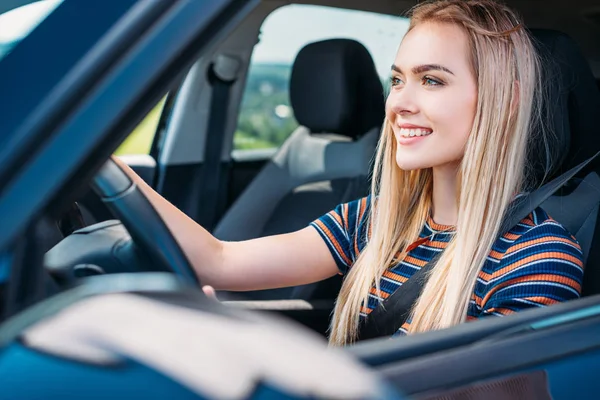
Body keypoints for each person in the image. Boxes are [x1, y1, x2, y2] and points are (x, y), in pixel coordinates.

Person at [115, 0, 584, 346]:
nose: (399, 103)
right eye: (397, 79)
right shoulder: (376, 221)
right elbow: (220, 261)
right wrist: (105, 173)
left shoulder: (536, 257)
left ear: (507, 101)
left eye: (433, 80)